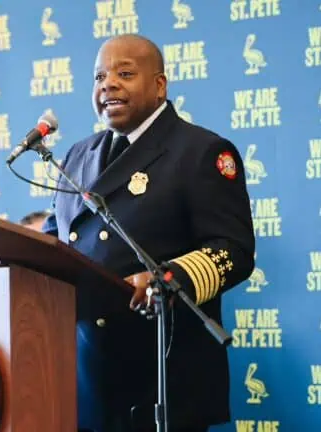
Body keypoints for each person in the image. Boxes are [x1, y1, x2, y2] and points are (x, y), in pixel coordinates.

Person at [42, 34, 255, 431]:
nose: (108, 84)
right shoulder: (76, 155)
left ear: (160, 86)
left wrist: (169, 278)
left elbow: (234, 249)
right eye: (99, 76)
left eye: (124, 73)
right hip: (84, 380)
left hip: (161, 377)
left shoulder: (201, 151)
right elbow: (52, 244)